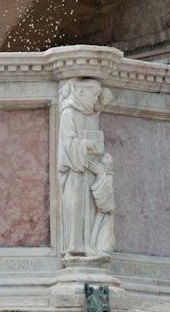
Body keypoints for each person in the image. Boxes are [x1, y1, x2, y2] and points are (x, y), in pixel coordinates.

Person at [58, 79, 114, 259]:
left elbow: (95, 112)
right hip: (75, 172)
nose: (94, 99)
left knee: (89, 210)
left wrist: (102, 102)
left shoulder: (89, 113)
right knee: (75, 208)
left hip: (89, 170)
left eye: (96, 96)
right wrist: (87, 145)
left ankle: (90, 246)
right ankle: (74, 248)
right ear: (81, 92)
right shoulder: (68, 113)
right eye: (93, 95)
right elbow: (67, 145)